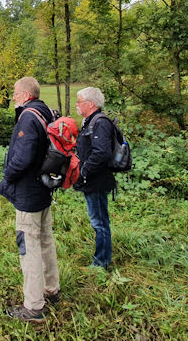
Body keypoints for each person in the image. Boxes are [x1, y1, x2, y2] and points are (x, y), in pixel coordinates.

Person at [0, 77, 60, 323]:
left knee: (28, 246)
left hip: (28, 192)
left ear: (25, 94)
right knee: (45, 239)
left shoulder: (28, 117)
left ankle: (33, 306)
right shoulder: (46, 113)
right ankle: (51, 289)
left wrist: (8, 177)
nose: (13, 97)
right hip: (43, 188)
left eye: (15, 93)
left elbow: (22, 158)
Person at [74, 87, 117, 270]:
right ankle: (101, 259)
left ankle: (101, 263)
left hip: (97, 181)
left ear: (90, 104)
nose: (77, 105)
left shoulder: (99, 123)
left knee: (99, 222)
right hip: (92, 181)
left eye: (79, 102)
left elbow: (101, 153)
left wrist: (83, 171)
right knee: (97, 221)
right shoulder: (90, 121)